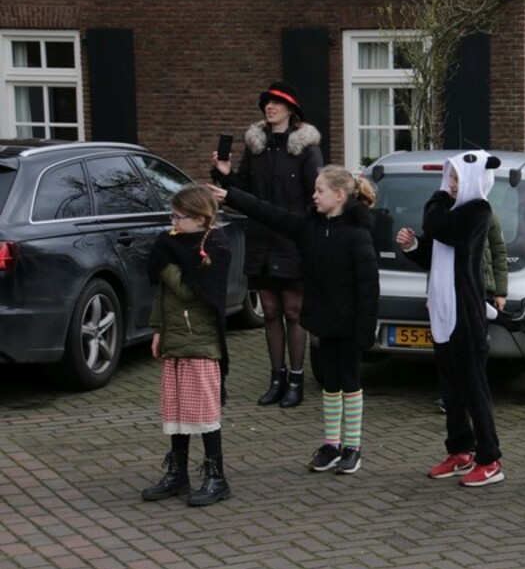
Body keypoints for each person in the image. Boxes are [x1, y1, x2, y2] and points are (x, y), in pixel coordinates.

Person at [210, 166, 379, 475]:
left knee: (350, 382)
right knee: (330, 383)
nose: (313, 196)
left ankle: (353, 447)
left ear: (339, 196)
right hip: (325, 322)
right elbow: (271, 214)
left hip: (351, 325)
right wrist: (231, 195)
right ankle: (331, 444)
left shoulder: (358, 235)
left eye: (319, 191)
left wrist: (366, 330)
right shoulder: (310, 228)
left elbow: (369, 287)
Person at [395, 150, 505, 487]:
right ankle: (460, 450)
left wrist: (438, 197)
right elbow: (436, 251)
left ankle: (490, 458)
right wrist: (414, 247)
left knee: (474, 387)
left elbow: (442, 228)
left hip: (465, 313)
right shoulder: (451, 212)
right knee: (451, 387)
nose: (451, 184)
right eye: (450, 177)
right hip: (442, 310)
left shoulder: (477, 210)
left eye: (458, 178)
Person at [212, 81, 323, 409]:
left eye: (277, 102)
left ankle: (296, 380)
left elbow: (315, 196)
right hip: (261, 240)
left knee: (293, 311)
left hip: (292, 241)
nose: (270, 107)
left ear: (291, 109)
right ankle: (277, 378)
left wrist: (307, 233)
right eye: (267, 103)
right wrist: (226, 175)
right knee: (270, 311)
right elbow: (245, 191)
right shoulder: (256, 147)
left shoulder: (307, 149)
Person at [141, 184, 233, 506]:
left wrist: (165, 263)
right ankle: (178, 473)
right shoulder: (175, 243)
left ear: (201, 218)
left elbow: (189, 291)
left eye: (179, 217)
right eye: (172, 216)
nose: (173, 222)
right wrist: (158, 329)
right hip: (175, 338)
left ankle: (216, 477)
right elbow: (163, 295)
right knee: (177, 409)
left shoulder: (216, 247)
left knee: (204, 411)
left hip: (200, 342)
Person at [435, 213, 508, 414]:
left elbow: (499, 252)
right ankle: (455, 395)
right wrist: (432, 293)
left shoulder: (488, 215)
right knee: (454, 346)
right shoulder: (448, 215)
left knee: (476, 346)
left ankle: (475, 395)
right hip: (453, 290)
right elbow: (437, 259)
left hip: (482, 290)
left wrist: (501, 292)